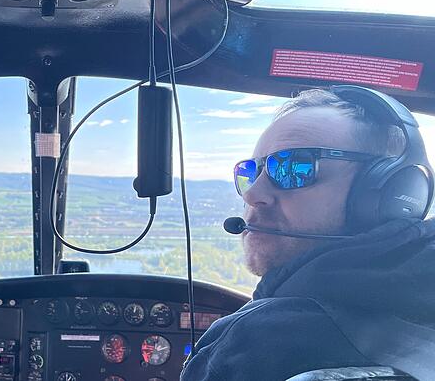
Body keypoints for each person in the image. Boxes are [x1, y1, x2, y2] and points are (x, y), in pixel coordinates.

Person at [180, 87, 435, 380]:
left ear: (389, 191)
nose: (253, 194)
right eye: (250, 172)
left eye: (292, 168)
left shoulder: (256, 341)